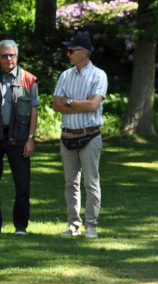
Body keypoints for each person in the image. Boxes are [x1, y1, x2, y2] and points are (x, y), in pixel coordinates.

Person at [52, 34, 108, 239]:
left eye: (71, 50)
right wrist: (78, 104)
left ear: (84, 53)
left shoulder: (99, 75)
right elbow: (55, 104)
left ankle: (91, 225)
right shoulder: (65, 75)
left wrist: (68, 102)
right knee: (70, 183)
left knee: (91, 183)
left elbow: (93, 105)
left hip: (90, 136)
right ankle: (73, 224)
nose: (68, 54)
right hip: (67, 136)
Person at [0, 39, 38, 236]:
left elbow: (34, 111)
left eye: (11, 55)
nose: (8, 59)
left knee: (22, 185)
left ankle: (21, 226)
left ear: (17, 56)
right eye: (4, 55)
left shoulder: (29, 80)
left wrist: (31, 138)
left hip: (20, 138)